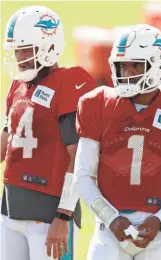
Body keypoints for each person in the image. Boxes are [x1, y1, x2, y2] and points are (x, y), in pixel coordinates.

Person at [0, 5, 96, 260]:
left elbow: (80, 157)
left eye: (24, 49)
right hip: (10, 210)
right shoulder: (18, 87)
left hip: (48, 215)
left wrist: (64, 215)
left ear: (48, 46)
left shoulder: (68, 83)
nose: (19, 57)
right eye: (16, 50)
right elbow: (6, 142)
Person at [74, 24, 161, 260]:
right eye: (122, 65)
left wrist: (160, 221)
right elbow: (83, 176)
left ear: (158, 64)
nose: (127, 73)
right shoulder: (97, 103)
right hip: (109, 233)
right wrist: (111, 218)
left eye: (136, 65)